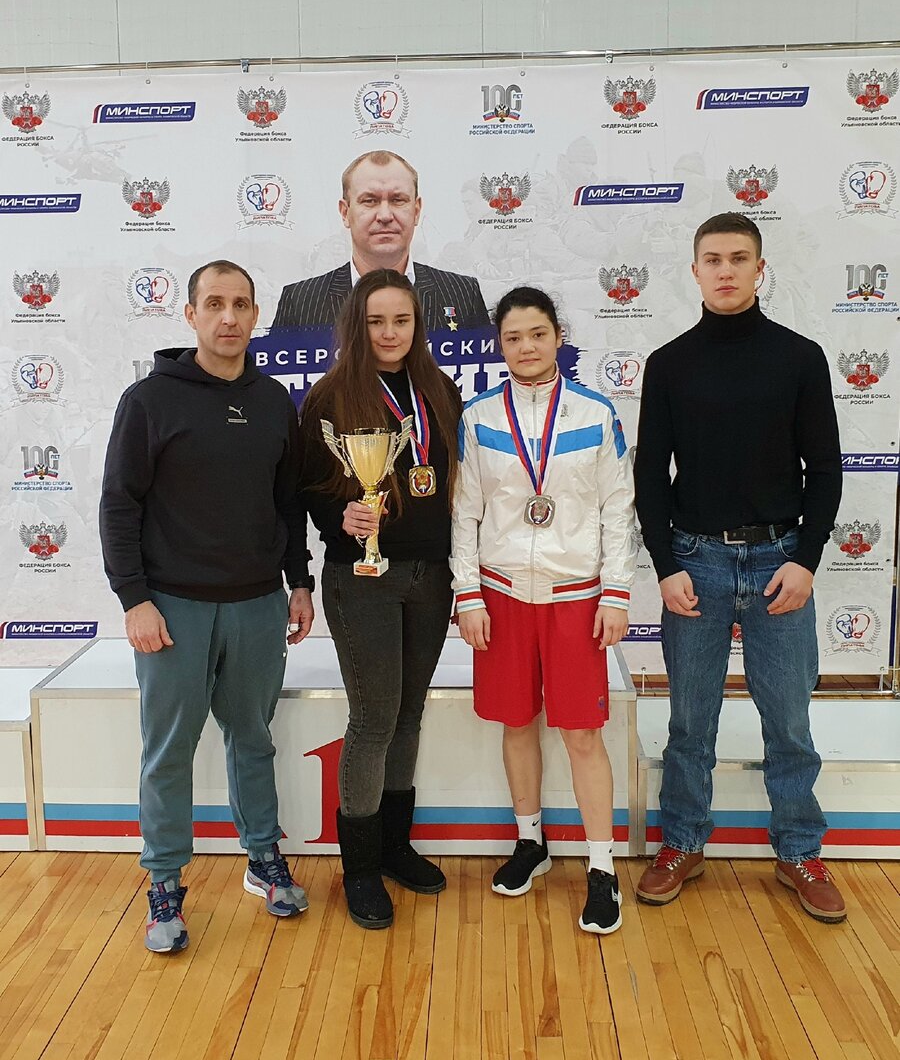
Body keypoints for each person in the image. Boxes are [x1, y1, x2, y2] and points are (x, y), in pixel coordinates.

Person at [633, 212, 846, 922]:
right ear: (694, 271)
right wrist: (666, 565)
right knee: (690, 721)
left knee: (788, 720)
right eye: (713, 259)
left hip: (781, 562)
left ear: (760, 268)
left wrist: (807, 560)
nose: (725, 270)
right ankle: (682, 843)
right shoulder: (669, 363)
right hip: (696, 562)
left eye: (739, 258)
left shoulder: (800, 357)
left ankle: (799, 851)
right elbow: (649, 475)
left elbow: (826, 469)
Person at [99, 260, 315, 953]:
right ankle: (164, 882)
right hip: (172, 609)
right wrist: (135, 599)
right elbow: (119, 504)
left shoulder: (275, 401)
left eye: (241, 304)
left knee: (253, 738)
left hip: (257, 604)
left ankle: (264, 858)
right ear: (190, 314)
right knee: (169, 752)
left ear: (256, 316)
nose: (229, 317)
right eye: (215, 303)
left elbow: (288, 504)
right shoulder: (148, 401)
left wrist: (300, 582)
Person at [451, 287, 636, 935]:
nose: (526, 347)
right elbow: (465, 513)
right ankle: (530, 841)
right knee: (517, 722)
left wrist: (616, 592)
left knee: (582, 735)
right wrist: (468, 593)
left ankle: (602, 867)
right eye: (512, 338)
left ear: (558, 335)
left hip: (574, 599)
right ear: (499, 346)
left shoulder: (595, 412)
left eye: (537, 334)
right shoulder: (478, 417)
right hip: (502, 596)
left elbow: (618, 509)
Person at [298, 268, 463, 929]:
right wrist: (339, 517)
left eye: (401, 320)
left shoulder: (440, 390)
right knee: (373, 719)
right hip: (361, 577)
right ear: (355, 326)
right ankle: (361, 868)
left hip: (432, 575)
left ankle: (395, 846)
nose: (390, 333)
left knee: (409, 715)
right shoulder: (330, 395)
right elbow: (307, 489)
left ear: (417, 325)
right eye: (376, 321)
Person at [272, 150, 490, 330]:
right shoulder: (300, 302)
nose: (385, 215)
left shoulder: (463, 295)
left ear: (416, 211)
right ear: (345, 212)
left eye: (398, 200)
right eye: (369, 201)